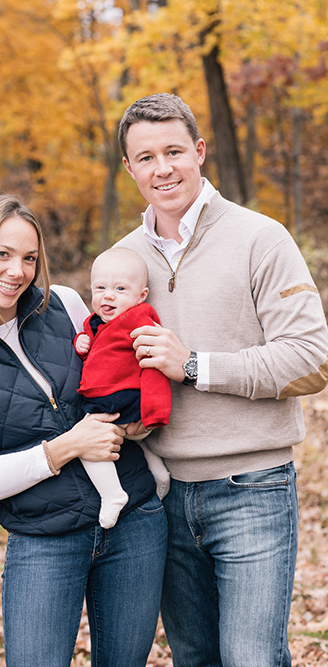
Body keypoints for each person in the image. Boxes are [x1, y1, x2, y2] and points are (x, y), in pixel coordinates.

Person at [0, 194, 167, 667]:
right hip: (44, 539)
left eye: (29, 258)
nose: (17, 271)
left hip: (135, 522)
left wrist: (139, 422)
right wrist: (65, 448)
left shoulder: (64, 304)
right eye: (2, 254)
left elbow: (116, 370)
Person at [115, 92, 328, 667]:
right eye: (146, 157)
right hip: (160, 494)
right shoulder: (122, 262)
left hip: (252, 487)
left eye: (175, 151)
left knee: (252, 658)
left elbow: (312, 359)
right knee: (196, 658)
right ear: (129, 168)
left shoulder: (261, 238)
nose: (163, 169)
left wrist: (194, 366)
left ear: (200, 152)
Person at [73, 247, 171, 528]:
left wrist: (155, 409)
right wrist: (82, 343)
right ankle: (160, 474)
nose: (108, 295)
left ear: (141, 296)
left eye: (120, 288)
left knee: (87, 443)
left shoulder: (139, 319)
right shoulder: (99, 323)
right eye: (100, 287)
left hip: (116, 398)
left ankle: (112, 494)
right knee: (136, 441)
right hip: (112, 395)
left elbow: (153, 365)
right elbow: (100, 356)